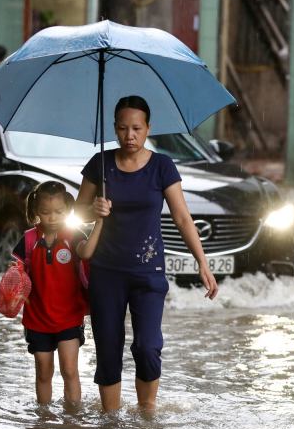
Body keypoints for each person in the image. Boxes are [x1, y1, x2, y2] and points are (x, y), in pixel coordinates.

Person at [75, 95, 219, 413]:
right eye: (123, 128)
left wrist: (202, 260)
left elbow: (182, 217)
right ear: (114, 128)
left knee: (148, 347)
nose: (130, 135)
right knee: (109, 350)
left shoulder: (162, 167)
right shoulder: (100, 164)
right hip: (106, 272)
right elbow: (77, 211)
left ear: (148, 128)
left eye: (137, 128)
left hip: (148, 273)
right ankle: (110, 427)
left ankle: (147, 418)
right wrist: (94, 208)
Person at [11, 181, 103, 405]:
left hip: (69, 316)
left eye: (59, 212)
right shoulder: (29, 240)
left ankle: (72, 420)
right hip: (37, 319)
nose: (52, 217)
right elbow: (16, 270)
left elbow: (87, 251)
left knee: (70, 370)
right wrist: (13, 286)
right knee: (43, 371)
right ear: (35, 211)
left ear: (68, 210)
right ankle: (43, 419)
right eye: (45, 212)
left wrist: (100, 221)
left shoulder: (73, 236)